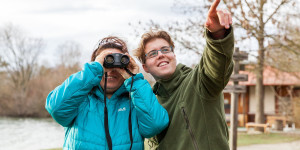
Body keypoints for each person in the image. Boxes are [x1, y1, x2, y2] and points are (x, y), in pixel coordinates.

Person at [133, 0, 234, 149]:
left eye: (166, 49)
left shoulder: (200, 82)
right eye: (153, 53)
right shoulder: (151, 104)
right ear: (145, 67)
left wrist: (217, 35)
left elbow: (217, 64)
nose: (161, 55)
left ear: (173, 55)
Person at [45, 36, 169, 150]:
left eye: (118, 63)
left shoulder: (136, 101)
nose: (111, 71)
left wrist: (134, 79)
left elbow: (155, 125)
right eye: (106, 62)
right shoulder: (80, 99)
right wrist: (94, 70)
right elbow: (56, 109)